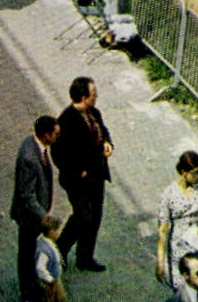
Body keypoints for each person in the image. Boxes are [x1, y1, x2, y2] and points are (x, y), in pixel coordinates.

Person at [54, 77, 111, 272]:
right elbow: (58, 154)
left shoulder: (94, 113)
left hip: (97, 175)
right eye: (93, 94)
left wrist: (107, 143)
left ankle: (85, 257)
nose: (97, 96)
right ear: (83, 97)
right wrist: (78, 171)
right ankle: (60, 248)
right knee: (82, 216)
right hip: (78, 180)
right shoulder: (66, 120)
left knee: (94, 217)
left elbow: (103, 131)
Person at [10, 115, 59, 302]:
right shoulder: (29, 158)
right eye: (55, 134)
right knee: (27, 253)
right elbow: (27, 195)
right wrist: (44, 216)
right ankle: (27, 293)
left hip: (35, 214)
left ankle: (32, 285)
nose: (57, 137)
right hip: (29, 217)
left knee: (33, 251)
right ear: (46, 135)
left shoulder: (35, 145)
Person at [156, 149, 198, 291]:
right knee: (182, 291)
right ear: (184, 172)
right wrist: (160, 262)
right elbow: (163, 229)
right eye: (195, 172)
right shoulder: (169, 194)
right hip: (179, 249)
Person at [34, 213, 66, 302]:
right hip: (51, 281)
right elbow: (40, 268)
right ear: (52, 232)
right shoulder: (44, 251)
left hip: (54, 278)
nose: (60, 233)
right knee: (58, 297)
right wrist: (50, 280)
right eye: (58, 230)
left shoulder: (42, 239)